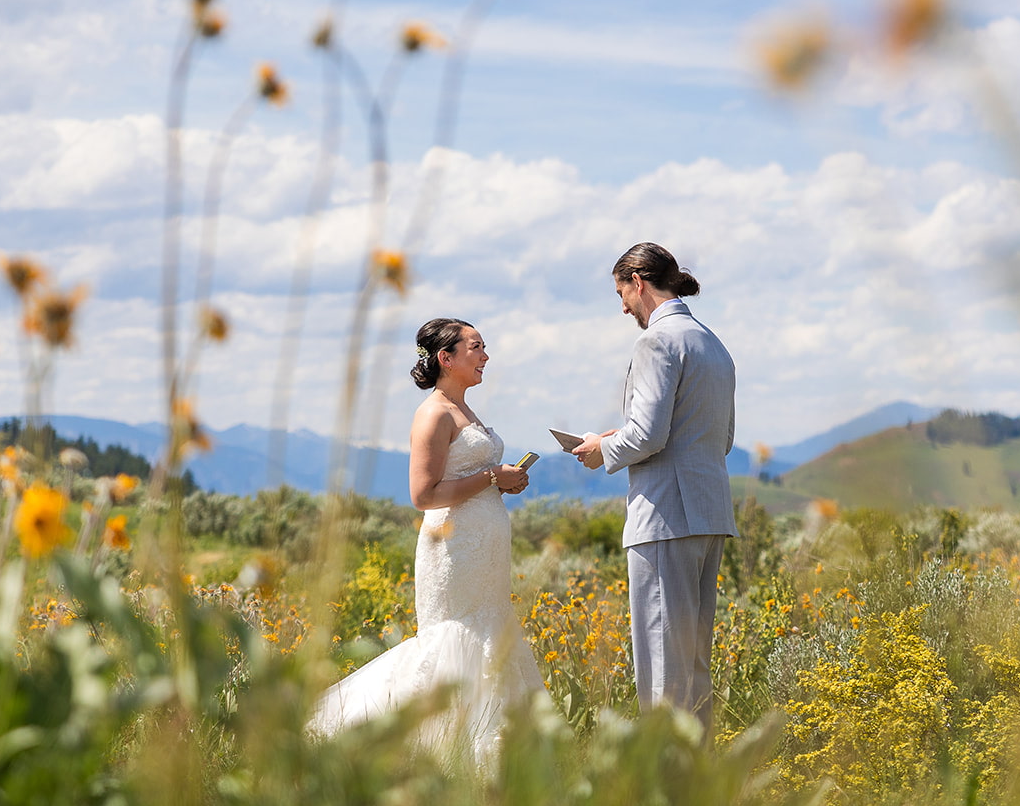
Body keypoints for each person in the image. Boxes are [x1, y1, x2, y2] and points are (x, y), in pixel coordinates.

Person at [308, 318, 550, 767]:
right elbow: (423, 495)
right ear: (447, 358)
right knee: (455, 640)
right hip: (453, 549)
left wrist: (500, 484)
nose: (485, 356)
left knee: (489, 633)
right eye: (476, 347)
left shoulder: (466, 410)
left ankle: (497, 748)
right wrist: (493, 476)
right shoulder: (434, 413)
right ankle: (432, 747)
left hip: (484, 550)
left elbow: (467, 480)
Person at [570, 243, 737, 735]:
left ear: (638, 283)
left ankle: (667, 789)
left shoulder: (657, 342)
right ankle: (698, 783)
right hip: (708, 513)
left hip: (665, 515)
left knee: (663, 664)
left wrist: (602, 449)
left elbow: (647, 434)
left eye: (621, 292)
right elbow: (721, 438)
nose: (622, 306)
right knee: (694, 666)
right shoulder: (712, 343)